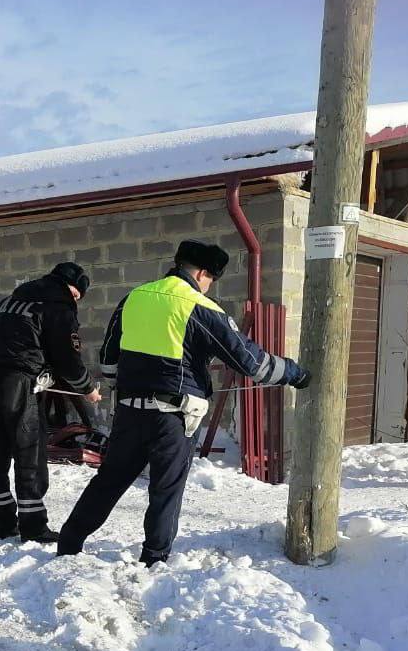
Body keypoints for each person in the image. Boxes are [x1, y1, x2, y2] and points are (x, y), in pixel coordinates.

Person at [57, 240, 310, 567]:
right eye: (211, 280)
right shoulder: (200, 307)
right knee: (166, 490)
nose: (208, 287)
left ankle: (69, 542)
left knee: (109, 480)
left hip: (129, 412)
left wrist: (130, 384)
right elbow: (251, 362)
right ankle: (154, 559)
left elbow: (108, 360)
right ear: (203, 273)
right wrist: (294, 373)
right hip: (174, 418)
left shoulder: (135, 297)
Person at [0, 262, 102, 542]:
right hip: (20, 383)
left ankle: (3, 524)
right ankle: (33, 527)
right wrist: (88, 389)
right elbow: (68, 360)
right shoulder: (58, 306)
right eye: (78, 295)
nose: (77, 301)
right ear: (72, 288)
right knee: (29, 452)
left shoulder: (13, 299)